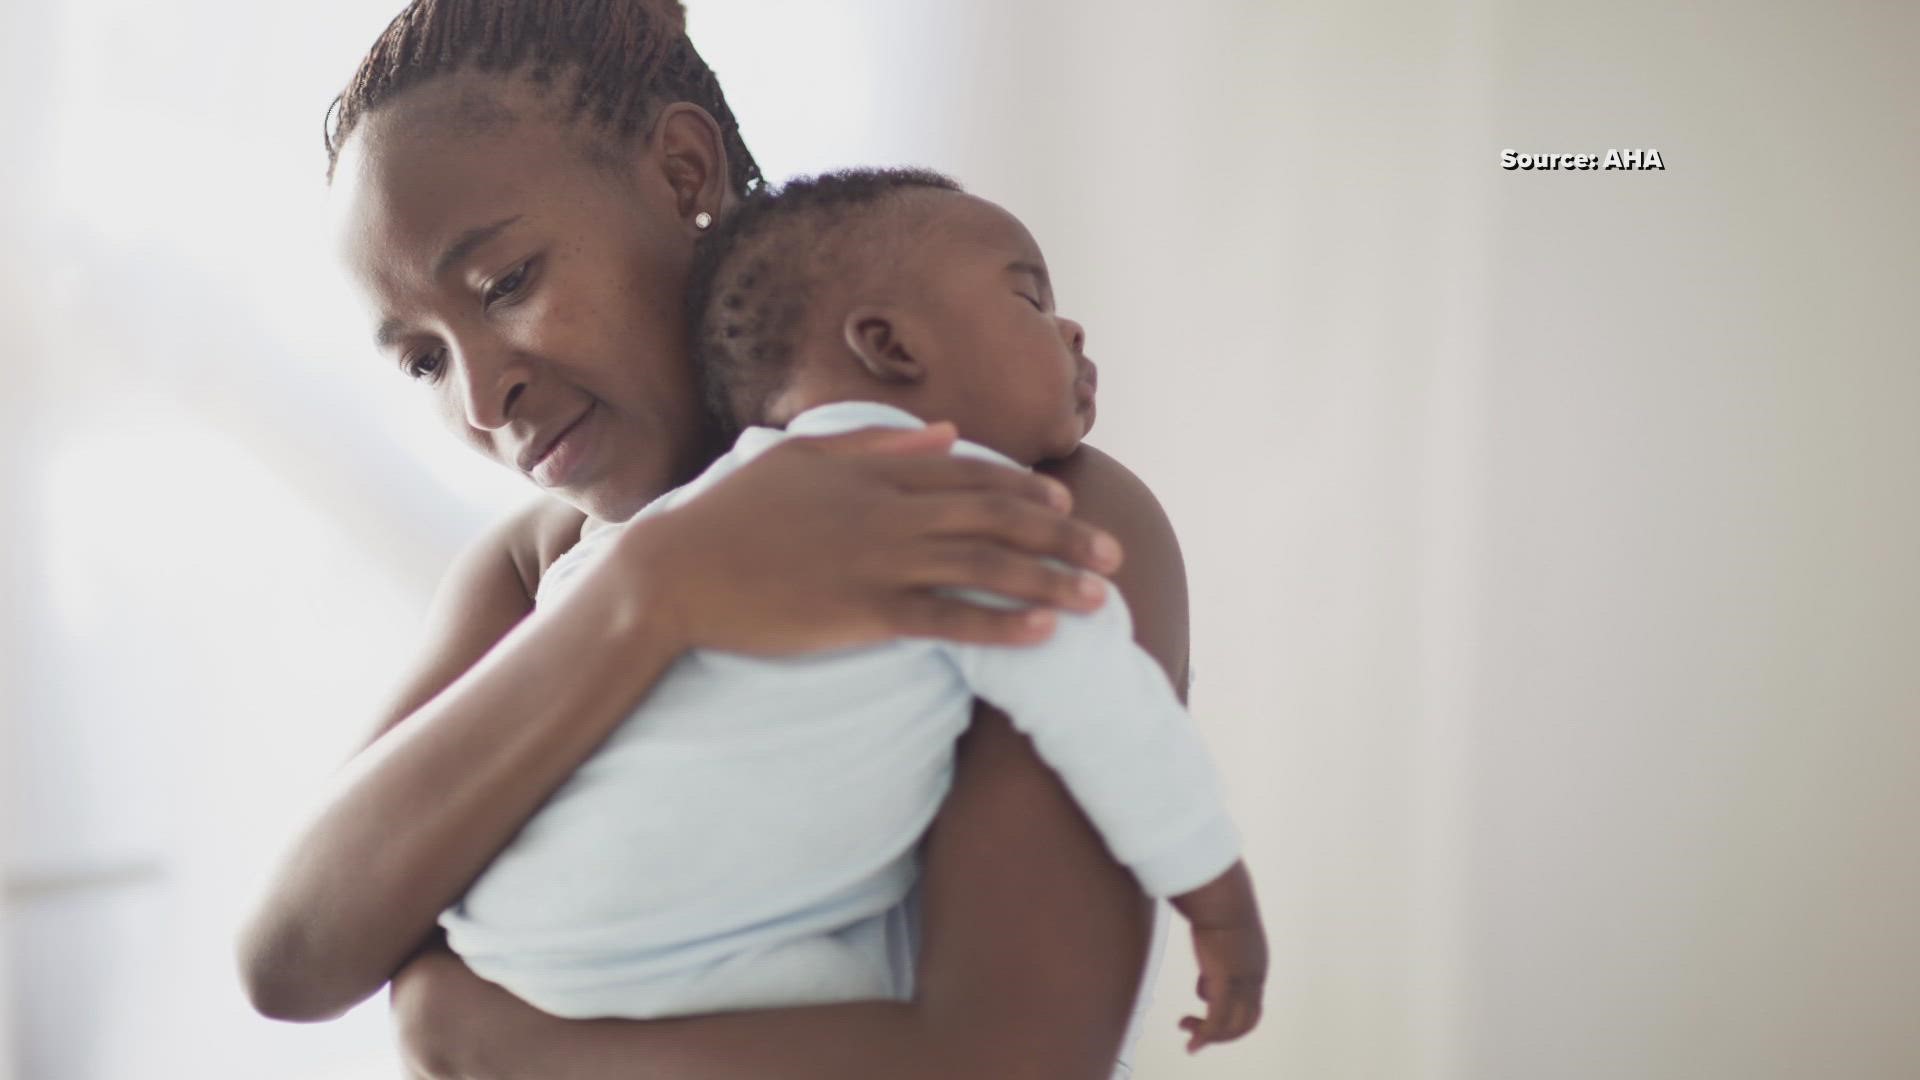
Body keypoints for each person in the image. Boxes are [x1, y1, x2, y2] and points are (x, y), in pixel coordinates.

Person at [236, 2, 1223, 1076]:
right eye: (423, 360)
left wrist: (480, 1040)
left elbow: (1016, 1053)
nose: (482, 395)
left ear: (683, 172)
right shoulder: (536, 571)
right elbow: (292, 956)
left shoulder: (1022, 510)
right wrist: (654, 591)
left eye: (507, 283)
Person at [435, 166, 1267, 1043]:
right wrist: (1219, 902)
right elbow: (1110, 713)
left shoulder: (648, 536)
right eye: (1028, 298)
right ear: (891, 347)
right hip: (670, 958)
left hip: (502, 941)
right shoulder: (955, 506)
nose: (1071, 328)